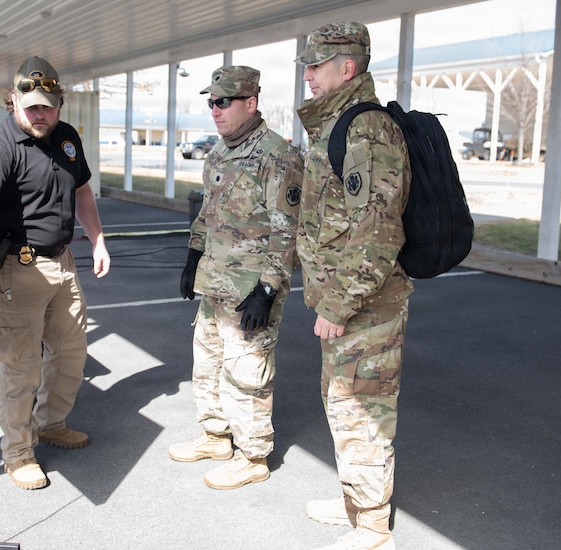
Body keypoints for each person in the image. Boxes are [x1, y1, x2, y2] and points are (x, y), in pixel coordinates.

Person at [0, 56, 110, 490]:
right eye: (32, 106)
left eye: (48, 105)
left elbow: (81, 191)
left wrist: (97, 240)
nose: (40, 114)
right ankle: (18, 453)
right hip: (14, 268)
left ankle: (50, 423)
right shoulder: (0, 144)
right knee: (20, 364)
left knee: (70, 351)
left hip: (61, 261)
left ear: (59, 103)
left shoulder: (67, 138)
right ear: (15, 102)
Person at [293, 22, 413, 550]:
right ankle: (354, 500)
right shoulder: (337, 125)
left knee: (362, 407)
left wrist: (339, 303)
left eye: (315, 67)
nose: (308, 77)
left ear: (348, 67)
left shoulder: (366, 129)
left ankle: (372, 524)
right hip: (347, 303)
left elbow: (378, 230)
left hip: (365, 304)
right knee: (342, 402)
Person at [169, 65, 303, 490]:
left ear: (251, 103)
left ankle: (253, 455)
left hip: (250, 290)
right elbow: (206, 217)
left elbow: (288, 231)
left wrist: (267, 290)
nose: (215, 109)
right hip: (215, 285)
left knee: (247, 373)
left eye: (223, 101)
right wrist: (193, 258)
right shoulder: (218, 154)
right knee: (207, 365)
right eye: (211, 102)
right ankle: (215, 437)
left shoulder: (277, 155)